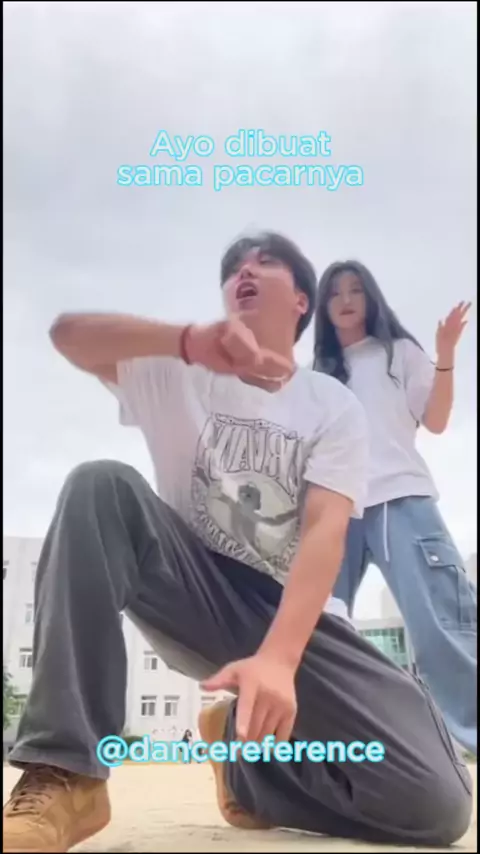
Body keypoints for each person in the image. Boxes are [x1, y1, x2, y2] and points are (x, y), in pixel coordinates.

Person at [3, 234, 472, 853]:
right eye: (234, 267)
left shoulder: (332, 404)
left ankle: (248, 769)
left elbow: (326, 531)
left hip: (297, 618)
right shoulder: (178, 369)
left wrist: (279, 659)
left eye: (266, 261)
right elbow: (69, 336)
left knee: (437, 806)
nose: (245, 270)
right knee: (100, 486)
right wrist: (187, 341)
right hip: (194, 589)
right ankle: (67, 774)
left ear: (301, 301)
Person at [313, 259, 477, 756]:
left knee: (441, 624)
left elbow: (437, 420)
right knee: (315, 625)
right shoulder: (320, 374)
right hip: (336, 509)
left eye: (355, 290)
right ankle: (322, 745)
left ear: (370, 298)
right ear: (323, 306)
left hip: (401, 500)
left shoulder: (398, 352)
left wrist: (445, 355)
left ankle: (469, 735)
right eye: (335, 292)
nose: (345, 300)